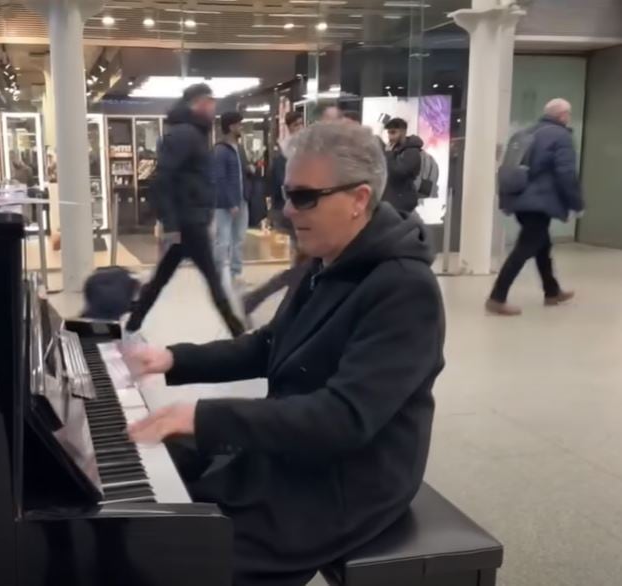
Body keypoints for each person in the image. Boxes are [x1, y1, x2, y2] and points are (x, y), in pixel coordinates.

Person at [127, 121, 446, 586]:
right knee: (154, 474)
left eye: (304, 197)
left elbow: (344, 419)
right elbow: (271, 345)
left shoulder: (404, 288)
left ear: (359, 200)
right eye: (284, 195)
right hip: (296, 444)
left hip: (349, 480)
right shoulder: (326, 259)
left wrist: (203, 416)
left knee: (186, 559)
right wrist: (172, 359)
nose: (285, 213)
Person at [126, 84, 245, 337]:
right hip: (188, 223)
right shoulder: (185, 135)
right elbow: (163, 178)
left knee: (162, 278)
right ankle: (237, 329)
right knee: (211, 278)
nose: (214, 108)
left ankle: (133, 321)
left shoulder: (194, 133)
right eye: (210, 102)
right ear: (198, 103)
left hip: (191, 220)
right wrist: (171, 225)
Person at [486, 98, 584, 316]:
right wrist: (576, 203)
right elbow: (566, 174)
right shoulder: (561, 136)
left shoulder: (526, 132)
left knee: (542, 245)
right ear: (562, 115)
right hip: (540, 202)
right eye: (568, 114)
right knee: (525, 248)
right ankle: (497, 297)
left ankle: (552, 291)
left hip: (520, 199)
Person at [242, 111, 308, 315]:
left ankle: (258, 299)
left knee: (304, 265)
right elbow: (284, 186)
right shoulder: (285, 155)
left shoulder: (304, 151)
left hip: (301, 212)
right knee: (305, 265)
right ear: (289, 127)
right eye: (295, 124)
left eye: (301, 123)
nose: (299, 127)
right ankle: (267, 302)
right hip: (294, 214)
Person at [212, 111, 250, 285]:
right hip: (225, 204)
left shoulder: (239, 148)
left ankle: (235, 272)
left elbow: (242, 172)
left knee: (239, 239)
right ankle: (218, 274)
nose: (241, 127)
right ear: (230, 126)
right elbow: (219, 179)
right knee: (223, 240)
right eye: (238, 124)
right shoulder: (220, 150)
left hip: (241, 200)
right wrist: (231, 203)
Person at [381, 117, 423, 213]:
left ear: (403, 132)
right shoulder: (392, 150)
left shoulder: (412, 151)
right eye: (389, 133)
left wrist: (388, 155)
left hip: (402, 203)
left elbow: (398, 173)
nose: (390, 137)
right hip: (390, 202)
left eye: (393, 133)